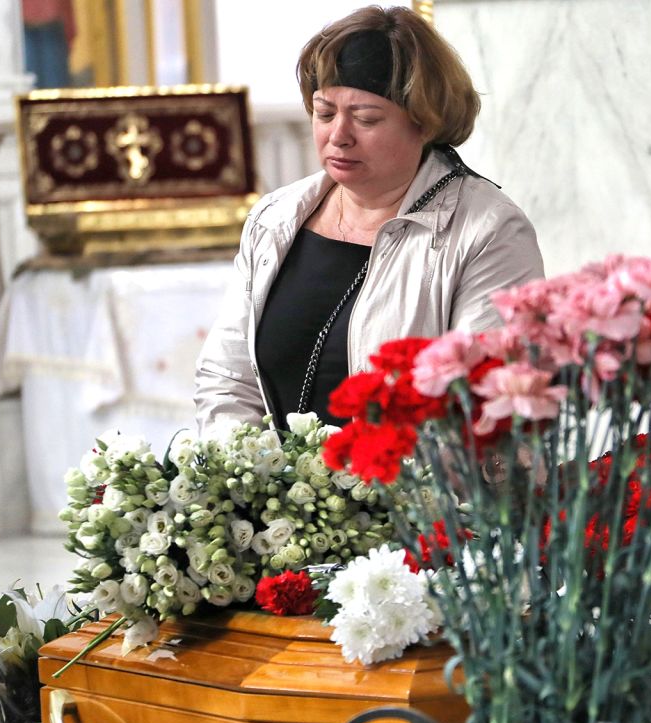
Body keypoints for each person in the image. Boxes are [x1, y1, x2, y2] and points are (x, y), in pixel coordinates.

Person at [195, 6, 544, 431]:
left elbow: (484, 404)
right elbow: (228, 380)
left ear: (423, 122)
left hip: (408, 489)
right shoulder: (276, 218)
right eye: (324, 113)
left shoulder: (487, 230)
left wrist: (357, 491)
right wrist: (247, 478)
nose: (338, 135)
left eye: (366, 118)